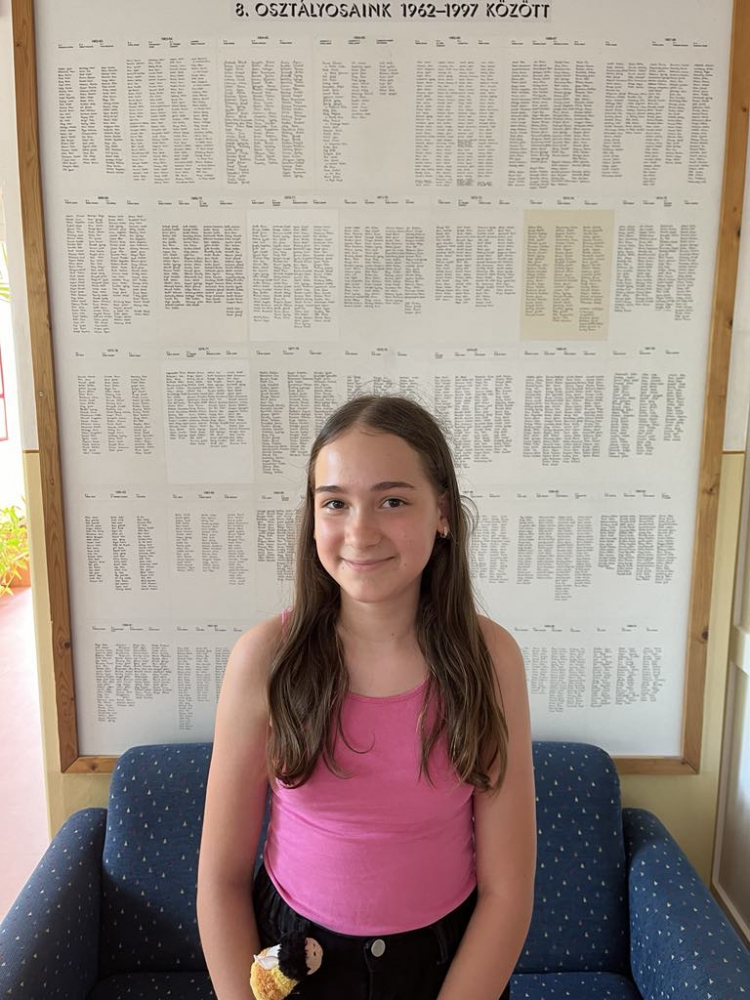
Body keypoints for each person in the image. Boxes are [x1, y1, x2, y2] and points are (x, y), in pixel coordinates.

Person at [197, 394, 537, 1000]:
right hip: (296, 961)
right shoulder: (263, 659)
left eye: (393, 501)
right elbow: (220, 881)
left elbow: (508, 891)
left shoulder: (491, 659)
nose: (360, 531)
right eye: (335, 503)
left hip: (445, 964)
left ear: (443, 513)